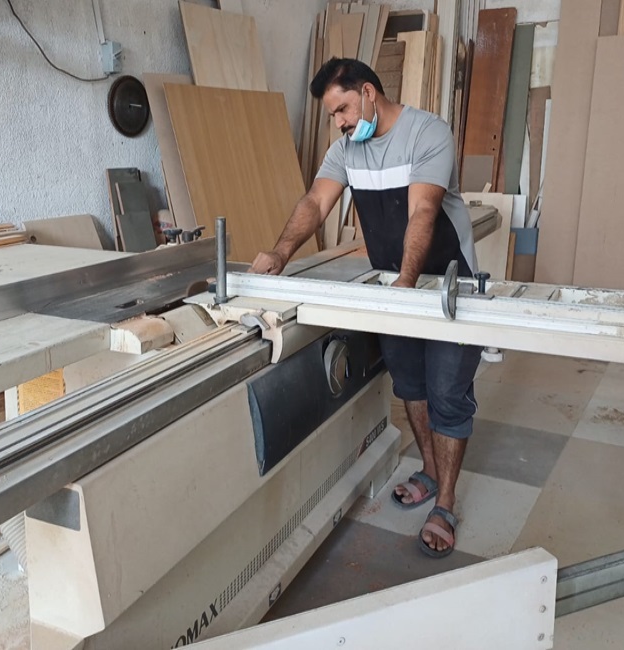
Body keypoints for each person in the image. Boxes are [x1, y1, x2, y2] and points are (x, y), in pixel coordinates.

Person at [250, 58, 483, 559]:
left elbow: (423, 211)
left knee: (447, 393)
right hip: (391, 288)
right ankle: (428, 470)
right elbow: (316, 203)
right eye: (333, 115)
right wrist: (280, 253)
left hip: (449, 285)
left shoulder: (427, 134)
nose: (339, 122)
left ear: (370, 93)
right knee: (411, 387)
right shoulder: (346, 151)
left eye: (343, 109)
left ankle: (445, 502)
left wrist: (406, 283)